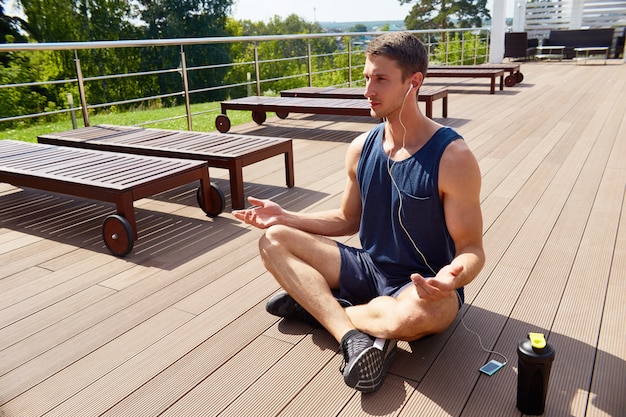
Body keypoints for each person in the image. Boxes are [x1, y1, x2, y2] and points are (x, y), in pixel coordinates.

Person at [232, 31, 485, 393]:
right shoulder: (360, 148)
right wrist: (284, 217)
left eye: (381, 79)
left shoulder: (452, 157)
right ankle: (351, 334)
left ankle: (318, 308)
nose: (368, 90)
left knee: (417, 315)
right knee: (273, 240)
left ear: (414, 83)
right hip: (368, 266)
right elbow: (347, 219)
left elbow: (472, 248)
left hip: (424, 287)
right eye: (367, 78)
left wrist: (450, 278)